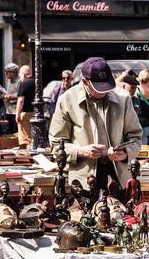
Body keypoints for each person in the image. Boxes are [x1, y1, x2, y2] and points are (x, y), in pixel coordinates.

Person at [49, 57, 142, 191]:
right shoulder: (67, 100)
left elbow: (136, 137)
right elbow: (56, 144)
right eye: (99, 88)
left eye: (107, 86)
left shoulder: (123, 98)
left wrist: (126, 153)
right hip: (84, 179)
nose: (104, 91)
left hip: (118, 175)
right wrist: (81, 151)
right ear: (85, 82)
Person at [15, 68, 37, 148]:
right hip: (36, 113)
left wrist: (17, 113)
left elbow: (21, 100)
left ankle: (26, 157)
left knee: (26, 139)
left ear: (23, 74)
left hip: (26, 113)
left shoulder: (24, 83)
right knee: (34, 138)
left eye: (20, 75)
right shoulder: (37, 82)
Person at [2, 63, 21, 133]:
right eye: (5, 71)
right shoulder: (9, 80)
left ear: (15, 72)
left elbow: (21, 95)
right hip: (8, 110)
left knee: (15, 131)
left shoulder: (20, 81)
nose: (6, 74)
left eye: (8, 72)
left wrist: (10, 96)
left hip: (15, 110)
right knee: (8, 131)